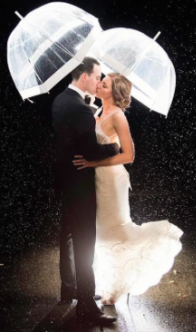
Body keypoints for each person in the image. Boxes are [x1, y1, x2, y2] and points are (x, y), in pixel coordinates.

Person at [73, 73, 183, 305]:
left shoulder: (118, 116)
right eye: (100, 82)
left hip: (112, 179)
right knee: (102, 232)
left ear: (113, 92)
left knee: (114, 231)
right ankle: (106, 285)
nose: (99, 85)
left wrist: (94, 163)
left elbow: (128, 154)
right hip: (99, 177)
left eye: (104, 85)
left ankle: (115, 288)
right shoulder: (99, 112)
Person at [51, 57, 118, 325]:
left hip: (64, 180)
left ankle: (69, 289)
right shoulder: (79, 109)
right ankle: (87, 306)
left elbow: (68, 135)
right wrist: (113, 148)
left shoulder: (60, 101)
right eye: (97, 76)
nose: (99, 81)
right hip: (80, 184)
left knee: (67, 236)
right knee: (84, 242)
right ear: (84, 77)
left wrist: (87, 112)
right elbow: (90, 151)